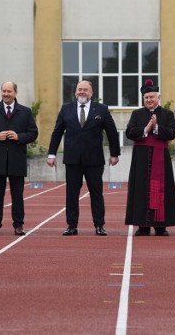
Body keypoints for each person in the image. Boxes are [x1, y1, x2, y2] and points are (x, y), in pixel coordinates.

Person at [47, 80, 121, 236]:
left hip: (94, 160)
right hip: (72, 159)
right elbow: (57, 132)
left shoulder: (102, 109)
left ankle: (99, 225)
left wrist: (114, 154)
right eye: (79, 89)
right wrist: (51, 154)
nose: (82, 92)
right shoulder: (66, 109)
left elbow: (112, 132)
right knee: (72, 194)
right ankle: (72, 225)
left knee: (96, 193)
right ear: (75, 92)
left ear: (91, 93)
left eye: (85, 90)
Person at [0, 81, 38, 236]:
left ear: (15, 93)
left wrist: (19, 136)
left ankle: (18, 225)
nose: (6, 94)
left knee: (17, 196)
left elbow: (33, 133)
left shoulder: (25, 112)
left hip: (17, 160)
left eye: (9, 91)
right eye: (3, 91)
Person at [125, 80, 175, 236]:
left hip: (160, 158)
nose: (149, 100)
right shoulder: (137, 114)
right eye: (146, 98)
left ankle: (160, 226)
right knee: (141, 190)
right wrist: (146, 129)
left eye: (151, 97)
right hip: (140, 159)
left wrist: (156, 128)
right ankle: (143, 226)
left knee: (161, 189)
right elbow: (129, 132)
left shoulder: (167, 114)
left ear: (158, 97)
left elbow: (172, 133)